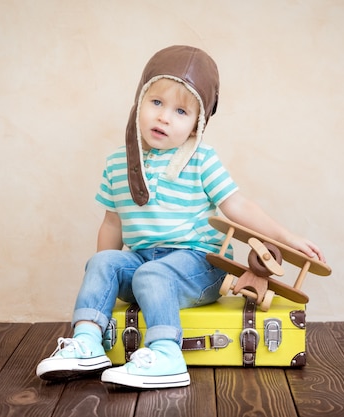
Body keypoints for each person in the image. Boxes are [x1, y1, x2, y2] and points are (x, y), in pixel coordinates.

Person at [36, 45, 326, 389]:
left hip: (198, 264)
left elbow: (237, 206)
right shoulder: (117, 163)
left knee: (153, 274)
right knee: (102, 264)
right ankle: (86, 343)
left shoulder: (201, 158)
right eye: (156, 103)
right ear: (139, 103)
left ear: (195, 126)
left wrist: (288, 239)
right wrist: (105, 284)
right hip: (142, 260)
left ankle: (166, 355)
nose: (164, 117)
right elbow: (112, 224)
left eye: (180, 111)